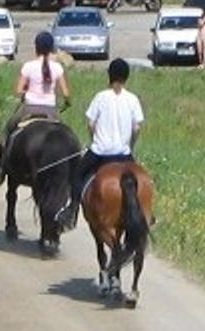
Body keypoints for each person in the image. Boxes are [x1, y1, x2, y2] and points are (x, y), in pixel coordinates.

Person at [58, 58, 144, 228]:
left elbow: (90, 123)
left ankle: (72, 210)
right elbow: (137, 127)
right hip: (123, 153)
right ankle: (146, 214)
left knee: (76, 175)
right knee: (139, 182)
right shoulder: (133, 99)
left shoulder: (100, 97)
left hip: (100, 153)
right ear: (127, 77)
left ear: (109, 75)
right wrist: (131, 145)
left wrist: (93, 139)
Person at [0, 30, 69, 182]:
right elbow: (66, 93)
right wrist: (66, 102)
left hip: (29, 108)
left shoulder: (28, 66)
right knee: (65, 138)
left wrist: (27, 91)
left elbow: (18, 90)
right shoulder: (58, 68)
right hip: (51, 110)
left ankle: (0, 169)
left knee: (7, 131)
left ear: (36, 47)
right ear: (51, 48)